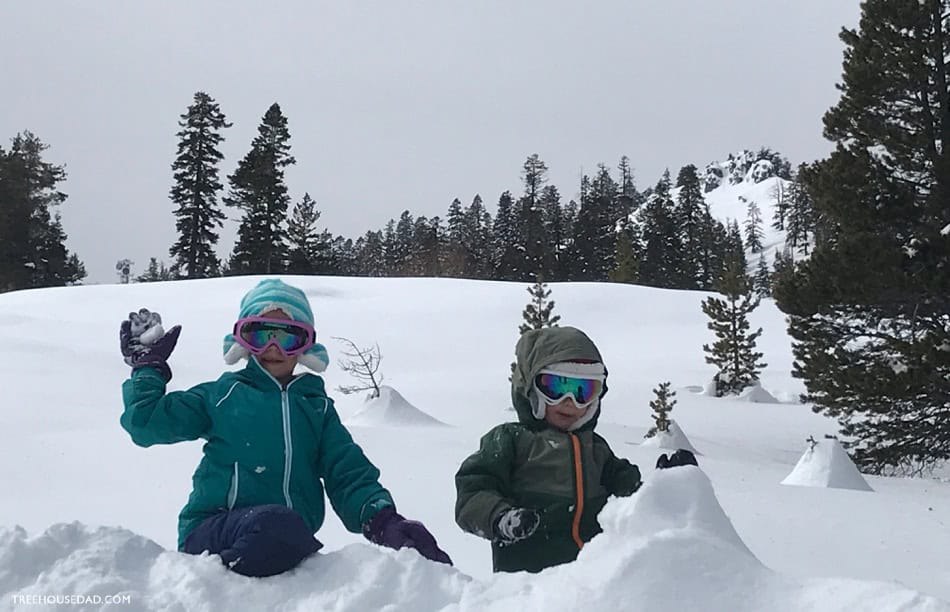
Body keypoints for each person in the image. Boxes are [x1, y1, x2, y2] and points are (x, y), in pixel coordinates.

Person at [119, 278, 452, 578]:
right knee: (279, 525)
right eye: (261, 335)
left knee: (285, 529)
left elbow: (346, 472)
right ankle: (213, 587)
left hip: (283, 543)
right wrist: (148, 369)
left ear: (304, 347)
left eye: (287, 337)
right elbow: (145, 423)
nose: (273, 349)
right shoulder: (222, 396)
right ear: (244, 341)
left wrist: (383, 521)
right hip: (212, 530)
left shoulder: (315, 408)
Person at [455, 325, 697, 573]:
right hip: (528, 585)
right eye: (556, 388)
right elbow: (472, 493)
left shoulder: (597, 450)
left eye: (584, 390)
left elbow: (631, 501)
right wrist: (500, 518)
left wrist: (669, 485)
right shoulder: (511, 441)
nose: (570, 402)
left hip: (593, 580)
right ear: (531, 389)